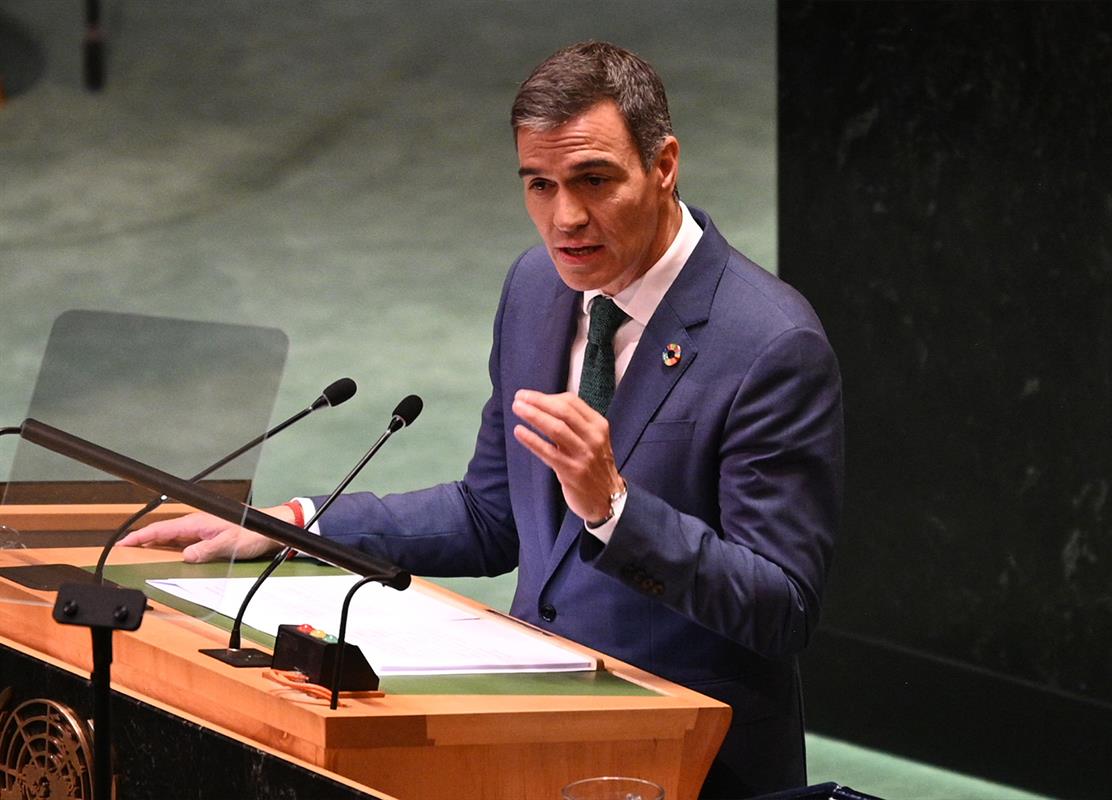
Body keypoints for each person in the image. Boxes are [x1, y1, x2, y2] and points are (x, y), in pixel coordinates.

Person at [121, 41, 843, 798]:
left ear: (664, 166)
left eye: (595, 180)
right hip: (528, 740)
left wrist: (615, 510)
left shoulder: (768, 344)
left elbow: (782, 608)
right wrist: (298, 524)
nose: (565, 218)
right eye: (540, 184)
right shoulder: (538, 288)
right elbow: (495, 511)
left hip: (690, 766)